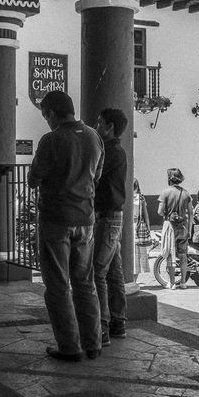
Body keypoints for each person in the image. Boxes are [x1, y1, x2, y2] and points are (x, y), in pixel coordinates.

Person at [27, 90, 105, 362]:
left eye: (45, 115)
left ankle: (69, 346)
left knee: (58, 285)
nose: (46, 120)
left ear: (51, 113)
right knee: (85, 283)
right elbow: (97, 176)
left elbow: (34, 178)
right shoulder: (95, 137)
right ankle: (93, 343)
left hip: (56, 220)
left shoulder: (51, 140)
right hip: (86, 219)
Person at [93, 108, 128, 346]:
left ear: (110, 127)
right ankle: (118, 322)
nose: (96, 126)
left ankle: (102, 328)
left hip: (107, 217)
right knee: (115, 273)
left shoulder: (110, 152)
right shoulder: (117, 151)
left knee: (97, 272)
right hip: (114, 217)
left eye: (99, 122)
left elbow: (93, 177)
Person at [156, 168, 193, 289]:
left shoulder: (165, 193)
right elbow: (191, 213)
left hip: (170, 228)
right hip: (183, 227)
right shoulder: (186, 193)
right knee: (183, 255)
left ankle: (172, 283)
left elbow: (160, 212)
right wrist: (189, 229)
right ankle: (183, 282)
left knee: (170, 255)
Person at [132, 178, 152, 283]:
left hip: (129, 226)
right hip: (139, 227)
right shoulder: (141, 198)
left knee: (130, 254)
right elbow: (146, 214)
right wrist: (148, 228)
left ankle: (130, 280)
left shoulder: (126, 197)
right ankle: (134, 281)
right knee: (139, 254)